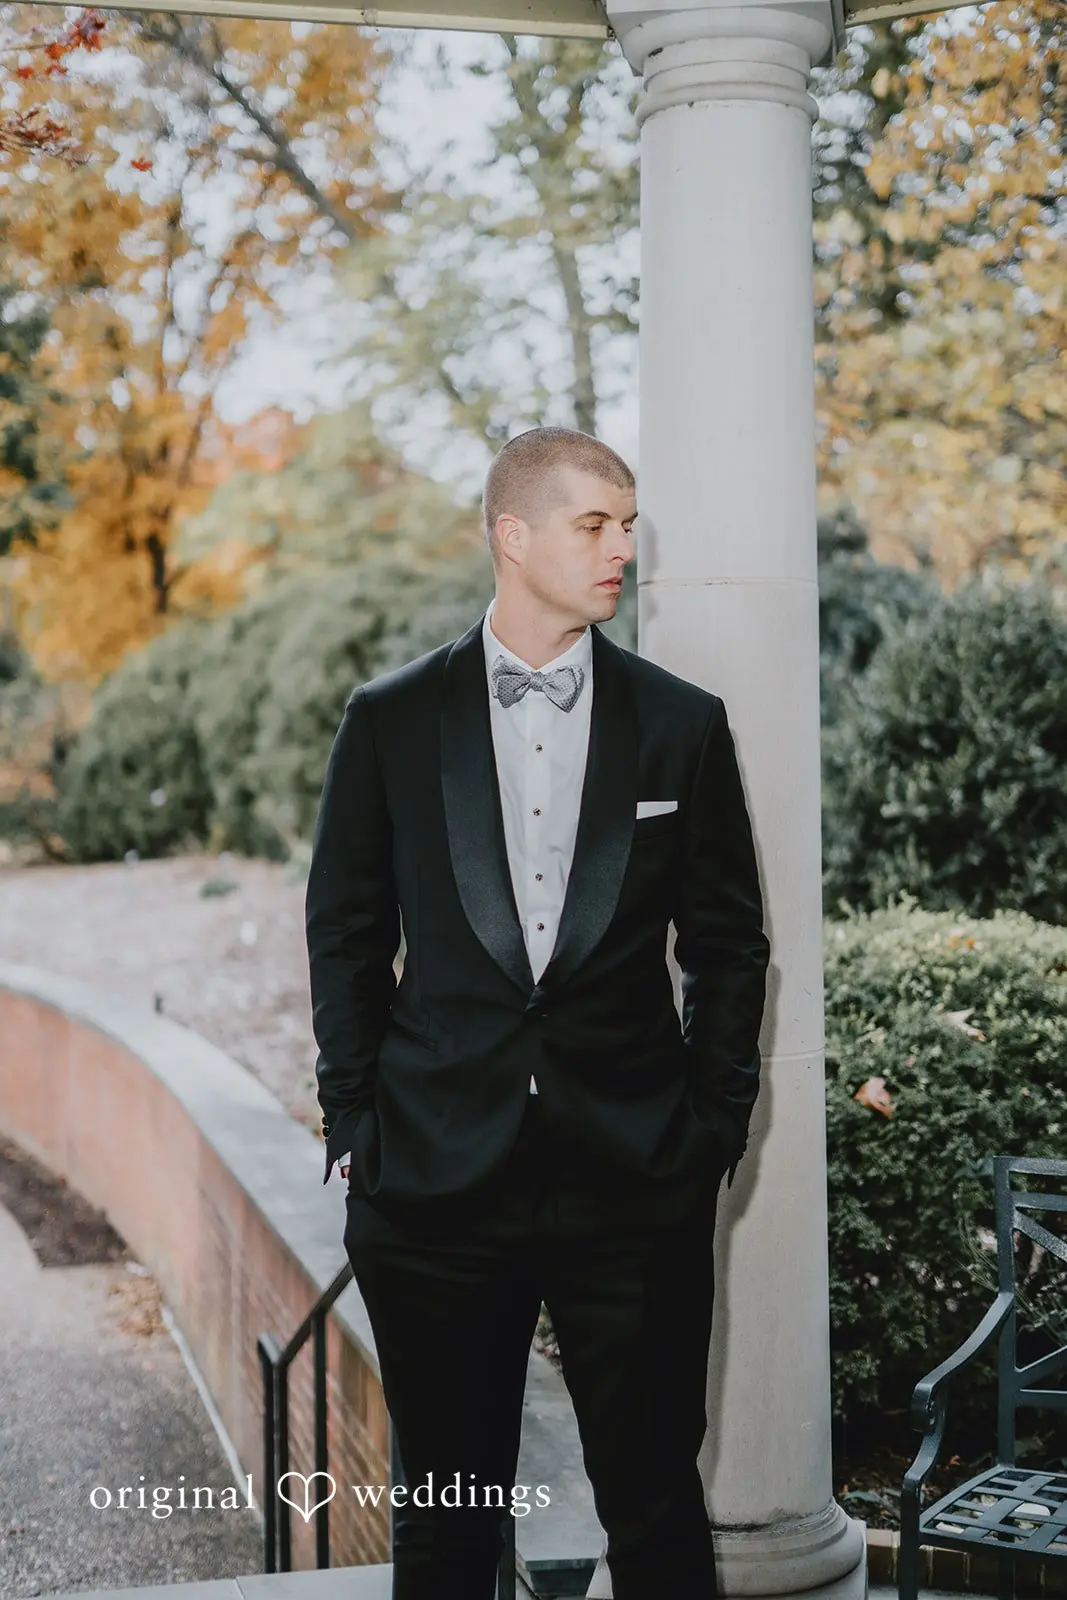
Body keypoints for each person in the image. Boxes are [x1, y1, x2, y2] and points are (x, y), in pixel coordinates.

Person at [305, 426, 771, 1599]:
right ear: (512, 537)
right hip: (433, 1184)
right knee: (446, 1524)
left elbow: (727, 944)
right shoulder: (392, 718)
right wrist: (356, 1121)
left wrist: (709, 1127)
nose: (622, 548)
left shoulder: (681, 723)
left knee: (659, 1512)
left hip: (634, 1182)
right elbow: (347, 933)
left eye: (626, 523)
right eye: (594, 524)